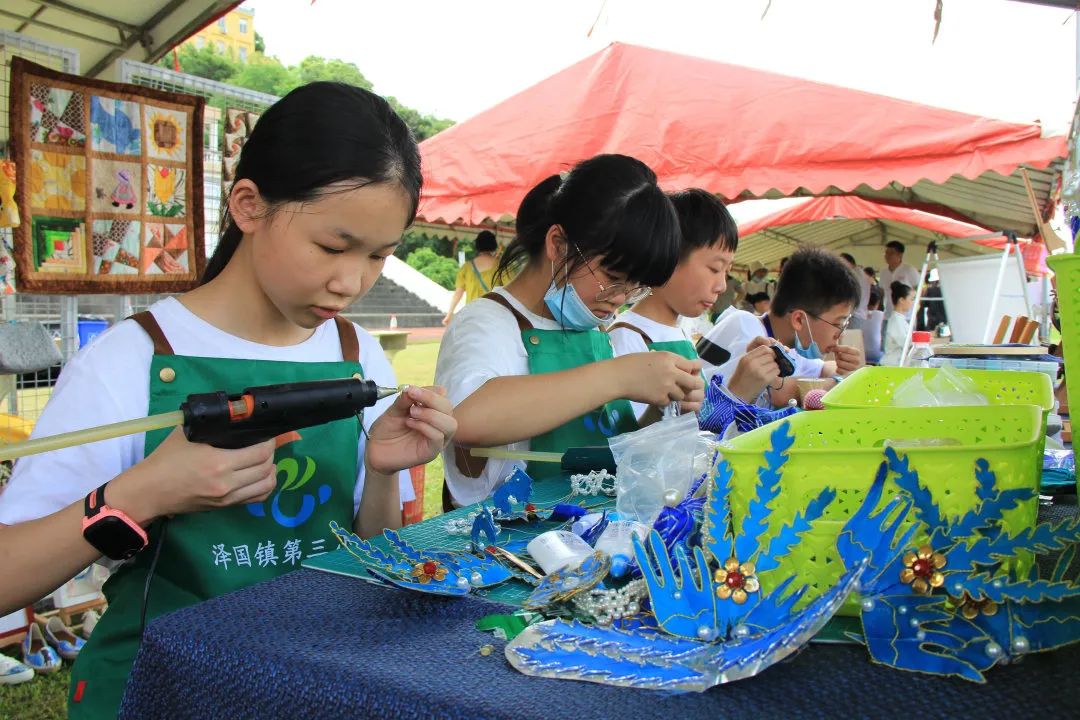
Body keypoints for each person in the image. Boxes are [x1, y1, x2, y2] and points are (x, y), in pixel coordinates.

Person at [0, 82, 458, 719]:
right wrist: (141, 494)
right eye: (332, 247)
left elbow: (367, 561)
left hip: (310, 689)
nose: (350, 282)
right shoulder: (131, 357)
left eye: (379, 256)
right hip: (161, 693)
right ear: (248, 205)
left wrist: (381, 476)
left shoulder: (355, 354)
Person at [435, 155, 704, 507]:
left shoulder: (594, 331)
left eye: (635, 288)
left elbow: (607, 456)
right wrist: (619, 376)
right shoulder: (486, 323)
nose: (620, 300)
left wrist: (662, 410)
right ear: (559, 244)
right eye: (612, 278)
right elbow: (464, 419)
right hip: (510, 549)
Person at [608, 188, 737, 419]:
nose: (722, 286)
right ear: (669, 256)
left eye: (727, 271)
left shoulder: (680, 332)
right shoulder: (627, 338)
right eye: (715, 269)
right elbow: (628, 439)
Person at [700, 247, 864, 407]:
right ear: (799, 320)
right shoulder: (746, 328)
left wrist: (844, 365)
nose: (840, 335)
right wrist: (839, 383)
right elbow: (778, 393)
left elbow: (823, 368)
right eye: (837, 324)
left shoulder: (785, 346)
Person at [443, 229, 500, 325]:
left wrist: (449, 314)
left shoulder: (466, 267)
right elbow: (511, 291)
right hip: (495, 314)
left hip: (473, 314)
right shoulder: (501, 265)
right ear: (494, 245)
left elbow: (458, 293)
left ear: (477, 245)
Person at [879, 241, 920, 316]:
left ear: (900, 255)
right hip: (888, 314)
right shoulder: (883, 271)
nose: (887, 256)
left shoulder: (909, 269)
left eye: (891, 253)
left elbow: (919, 290)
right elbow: (881, 291)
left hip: (906, 316)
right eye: (886, 253)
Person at [882, 281, 915, 366]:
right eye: (911, 299)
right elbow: (907, 344)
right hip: (893, 365)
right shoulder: (896, 321)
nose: (913, 302)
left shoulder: (900, 319)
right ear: (901, 300)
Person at [840, 253, 870, 330]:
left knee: (851, 340)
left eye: (842, 262)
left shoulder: (854, 275)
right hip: (859, 315)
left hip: (855, 315)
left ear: (849, 262)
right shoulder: (860, 273)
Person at [862, 285, 885, 364]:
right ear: (878, 303)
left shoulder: (860, 316)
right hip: (876, 354)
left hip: (861, 352)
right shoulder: (881, 315)